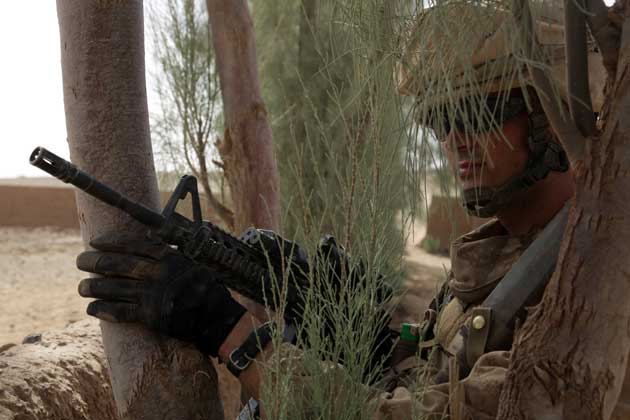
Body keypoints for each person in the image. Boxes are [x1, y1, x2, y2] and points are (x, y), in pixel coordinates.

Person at [75, 3, 622, 419]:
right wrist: (358, 327)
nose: (455, 139)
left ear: (555, 115)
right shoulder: (506, 254)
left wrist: (234, 336)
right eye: (440, 120)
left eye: (482, 112)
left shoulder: (595, 287)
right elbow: (436, 370)